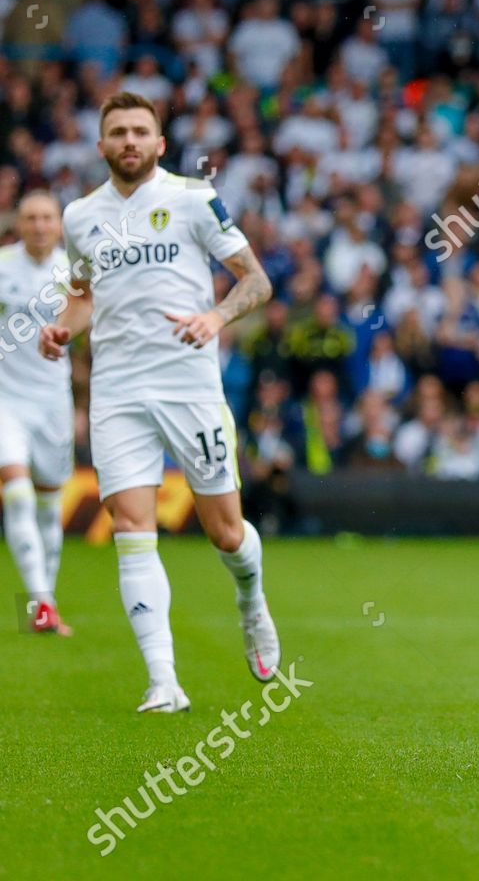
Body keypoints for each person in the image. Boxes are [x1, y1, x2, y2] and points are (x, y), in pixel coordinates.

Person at [39, 92, 280, 713]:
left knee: (225, 534)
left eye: (140, 131)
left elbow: (256, 280)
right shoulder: (80, 216)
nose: (128, 141)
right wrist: (65, 326)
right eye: (117, 132)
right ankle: (163, 681)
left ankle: (251, 601)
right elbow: (85, 294)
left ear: (160, 143)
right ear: (100, 146)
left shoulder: (194, 199)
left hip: (189, 385)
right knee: (130, 528)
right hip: (117, 390)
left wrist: (215, 316)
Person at [0, 191, 73, 634]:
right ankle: (42, 604)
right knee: (19, 494)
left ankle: (46, 596)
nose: (40, 225)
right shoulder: (3, 264)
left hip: (53, 401)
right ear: (19, 223)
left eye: (47, 217)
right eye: (31, 218)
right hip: (6, 400)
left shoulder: (73, 272)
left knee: (49, 506)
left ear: (59, 225)